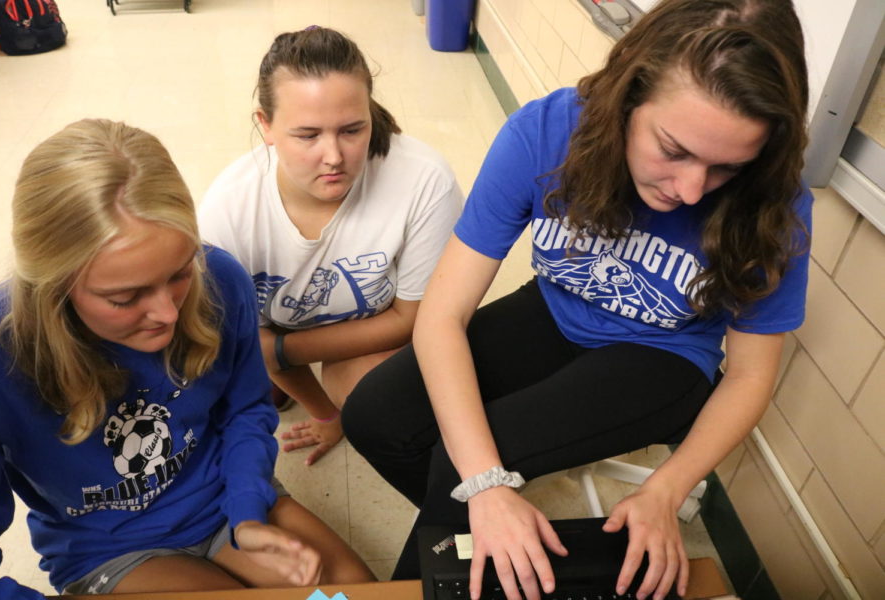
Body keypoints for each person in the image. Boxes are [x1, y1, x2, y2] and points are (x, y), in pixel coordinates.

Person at [342, 1, 812, 599]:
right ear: (626, 98)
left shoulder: (778, 202)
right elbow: (441, 315)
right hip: (557, 307)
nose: (692, 189)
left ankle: (477, 562)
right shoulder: (545, 134)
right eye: (673, 150)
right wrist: (488, 490)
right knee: (376, 417)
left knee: (464, 466)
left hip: (664, 355)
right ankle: (509, 552)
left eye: (727, 168)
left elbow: (748, 376)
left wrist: (666, 489)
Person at [0, 119, 374, 600]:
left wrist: (249, 509)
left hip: (228, 501)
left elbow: (246, 412)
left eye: (179, 272)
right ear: (53, 286)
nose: (167, 314)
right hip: (110, 550)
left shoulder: (222, 279)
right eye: (125, 298)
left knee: (354, 595)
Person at [198, 26, 463, 466]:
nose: (334, 157)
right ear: (265, 126)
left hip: (366, 333)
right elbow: (246, 339)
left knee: (381, 402)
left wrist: (283, 352)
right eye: (307, 135)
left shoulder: (424, 179)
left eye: (352, 130)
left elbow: (414, 317)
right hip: (278, 329)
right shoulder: (227, 211)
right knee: (233, 374)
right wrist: (323, 412)